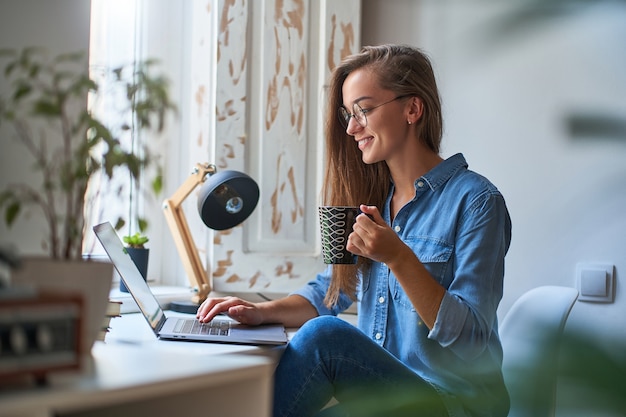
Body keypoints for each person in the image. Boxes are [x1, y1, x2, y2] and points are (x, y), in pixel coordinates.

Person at [196, 44, 512, 417]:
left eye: (363, 109)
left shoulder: (477, 202)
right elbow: (330, 292)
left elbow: (474, 340)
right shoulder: (373, 203)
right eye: (348, 114)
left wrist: (397, 257)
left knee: (324, 335)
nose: (350, 127)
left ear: (412, 108)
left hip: (453, 405)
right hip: (386, 399)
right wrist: (261, 312)